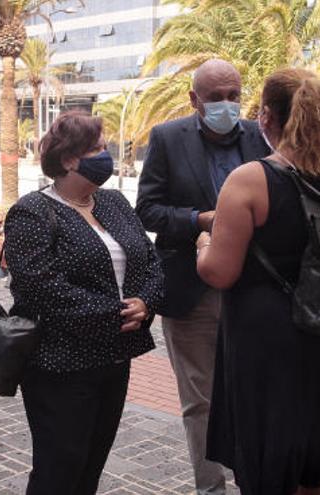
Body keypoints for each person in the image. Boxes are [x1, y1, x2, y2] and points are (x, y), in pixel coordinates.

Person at [196, 68, 320, 495]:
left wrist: (202, 244)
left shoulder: (251, 179)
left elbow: (220, 271)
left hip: (272, 341)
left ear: (266, 118)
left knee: (272, 458)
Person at [4, 111, 163, 495]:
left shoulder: (113, 202)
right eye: (97, 148)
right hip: (59, 364)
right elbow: (40, 287)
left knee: (91, 466)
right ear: (70, 158)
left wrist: (145, 302)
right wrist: (116, 313)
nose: (105, 155)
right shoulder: (31, 212)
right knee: (59, 468)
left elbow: (151, 259)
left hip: (114, 358)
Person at [135, 59, 269, 495]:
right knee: (201, 401)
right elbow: (148, 210)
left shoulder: (260, 136)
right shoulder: (167, 138)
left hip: (253, 289)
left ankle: (254, 479)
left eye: (235, 96)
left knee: (254, 393)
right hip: (189, 292)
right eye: (216, 98)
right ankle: (211, 488)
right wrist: (200, 220)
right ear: (194, 99)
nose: (227, 105)